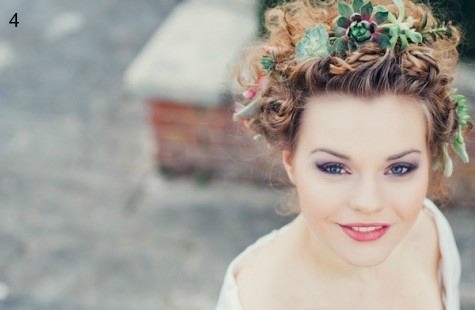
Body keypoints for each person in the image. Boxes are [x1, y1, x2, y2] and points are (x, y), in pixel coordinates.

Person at [216, 0, 473, 309]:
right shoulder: (254, 299)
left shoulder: (431, 233)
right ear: (290, 161)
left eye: (400, 168)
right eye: (335, 168)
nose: (368, 203)